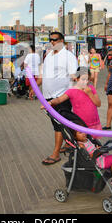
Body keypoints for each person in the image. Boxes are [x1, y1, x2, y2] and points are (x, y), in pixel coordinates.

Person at [35, 32, 78, 165]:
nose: (53, 42)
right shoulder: (48, 56)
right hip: (48, 96)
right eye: (51, 40)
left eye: (55, 40)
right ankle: (70, 142)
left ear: (62, 41)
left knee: (58, 125)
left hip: (62, 96)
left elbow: (74, 75)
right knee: (62, 123)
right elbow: (42, 75)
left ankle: (55, 153)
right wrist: (34, 88)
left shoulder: (68, 56)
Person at [72, 129, 112, 197]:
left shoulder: (87, 139)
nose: (84, 133)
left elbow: (92, 148)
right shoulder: (81, 145)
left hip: (100, 157)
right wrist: (97, 151)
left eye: (84, 131)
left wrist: (97, 148)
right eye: (80, 132)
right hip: (96, 161)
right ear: (75, 136)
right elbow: (87, 156)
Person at [43, 67, 102, 138]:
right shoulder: (72, 91)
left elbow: (98, 104)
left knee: (94, 143)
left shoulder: (91, 88)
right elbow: (59, 99)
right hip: (81, 124)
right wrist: (51, 102)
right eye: (83, 79)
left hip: (94, 123)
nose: (86, 82)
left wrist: (90, 94)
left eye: (88, 79)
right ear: (77, 79)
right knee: (84, 143)